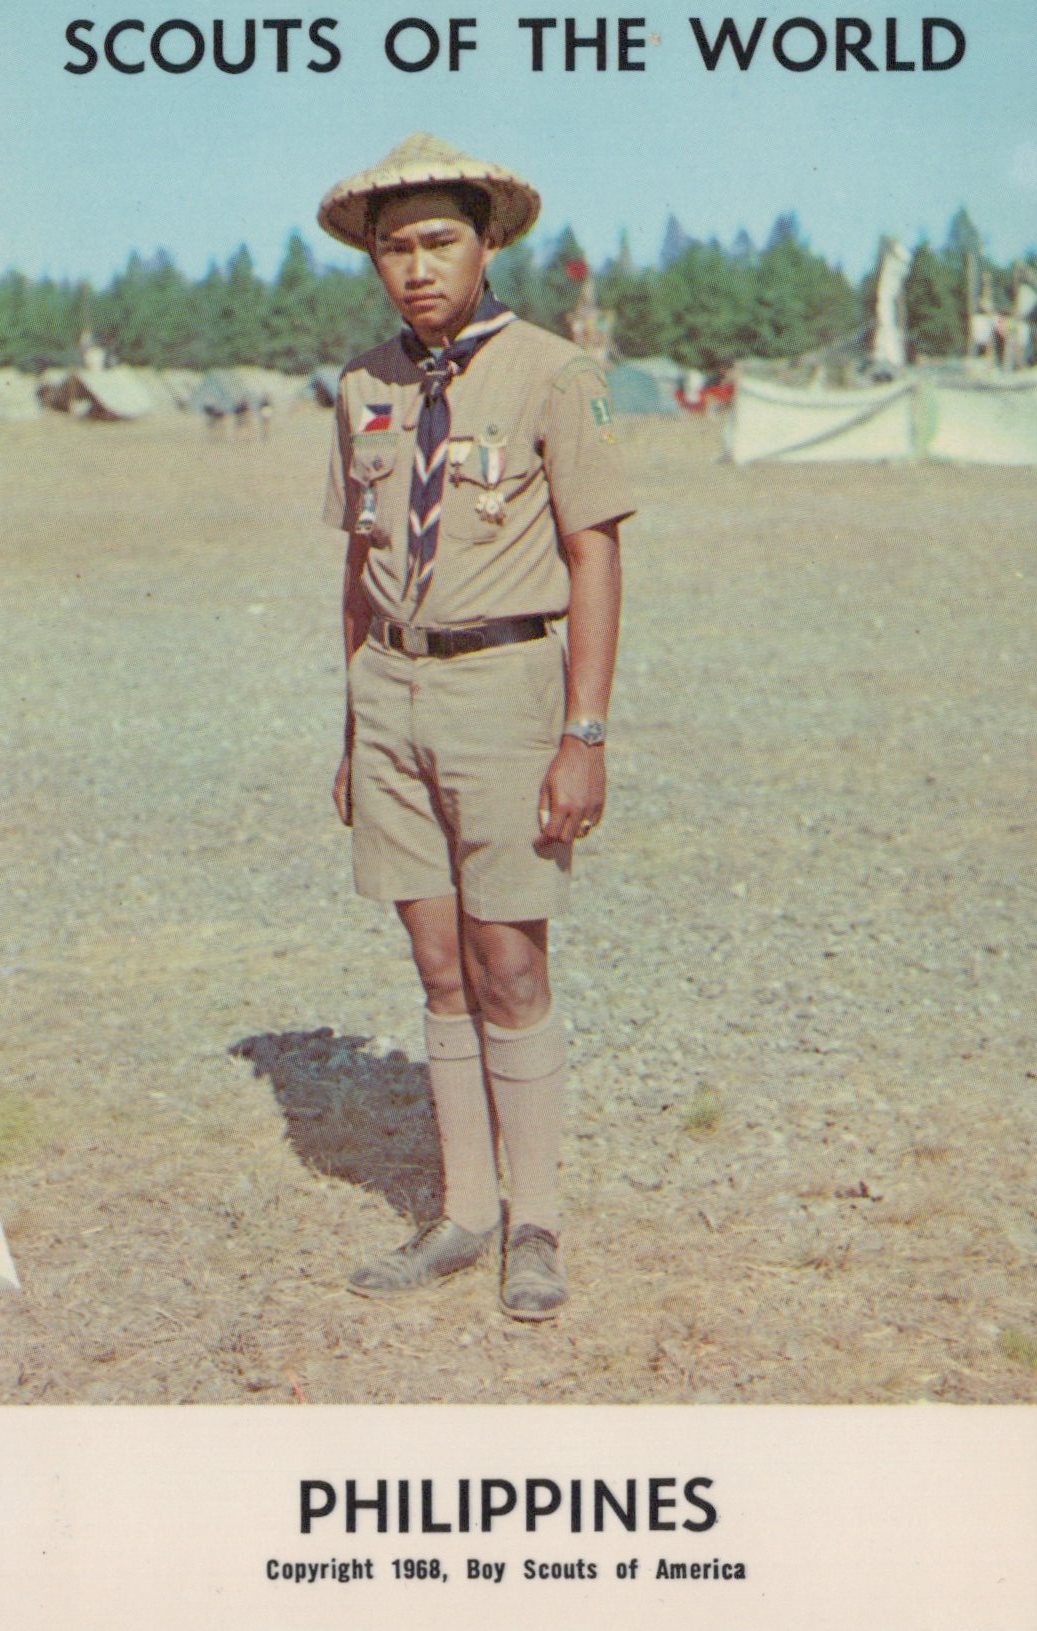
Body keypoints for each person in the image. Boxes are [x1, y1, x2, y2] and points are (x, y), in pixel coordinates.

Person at [318, 133, 634, 1320]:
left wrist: (582, 732)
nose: (415, 266)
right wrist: (352, 725)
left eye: (439, 240)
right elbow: (359, 563)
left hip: (506, 689)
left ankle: (535, 1221)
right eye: (393, 248)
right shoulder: (362, 385)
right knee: (437, 961)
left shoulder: (556, 371)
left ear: (486, 244)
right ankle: (462, 1212)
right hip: (390, 690)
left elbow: (592, 552)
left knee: (509, 960)